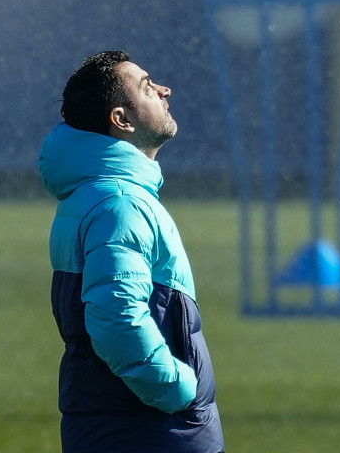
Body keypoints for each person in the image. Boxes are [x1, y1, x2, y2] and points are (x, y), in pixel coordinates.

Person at [38, 50, 225, 452]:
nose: (164, 90)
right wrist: (176, 390)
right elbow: (116, 316)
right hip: (149, 428)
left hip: (125, 424)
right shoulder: (120, 202)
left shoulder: (101, 194)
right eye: (146, 86)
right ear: (121, 119)